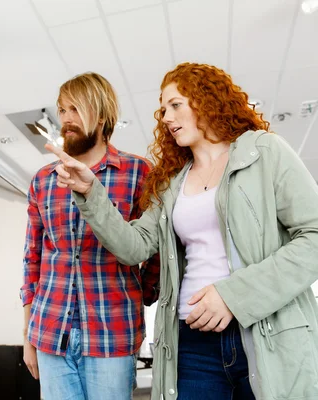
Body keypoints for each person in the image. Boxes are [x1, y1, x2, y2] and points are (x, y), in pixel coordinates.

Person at [46, 62, 318, 400]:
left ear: (209, 100)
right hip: (190, 341)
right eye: (163, 110)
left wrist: (234, 296)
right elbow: (134, 246)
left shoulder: (263, 151)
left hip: (264, 333)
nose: (167, 117)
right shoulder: (172, 180)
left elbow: (314, 237)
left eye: (176, 105)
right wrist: (91, 193)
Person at [20, 72, 160, 400]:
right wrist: (28, 334)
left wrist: (143, 295)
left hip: (112, 333)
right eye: (62, 110)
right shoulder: (43, 180)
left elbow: (152, 250)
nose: (66, 119)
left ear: (101, 115)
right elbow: (32, 260)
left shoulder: (139, 173)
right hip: (49, 333)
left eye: (76, 109)